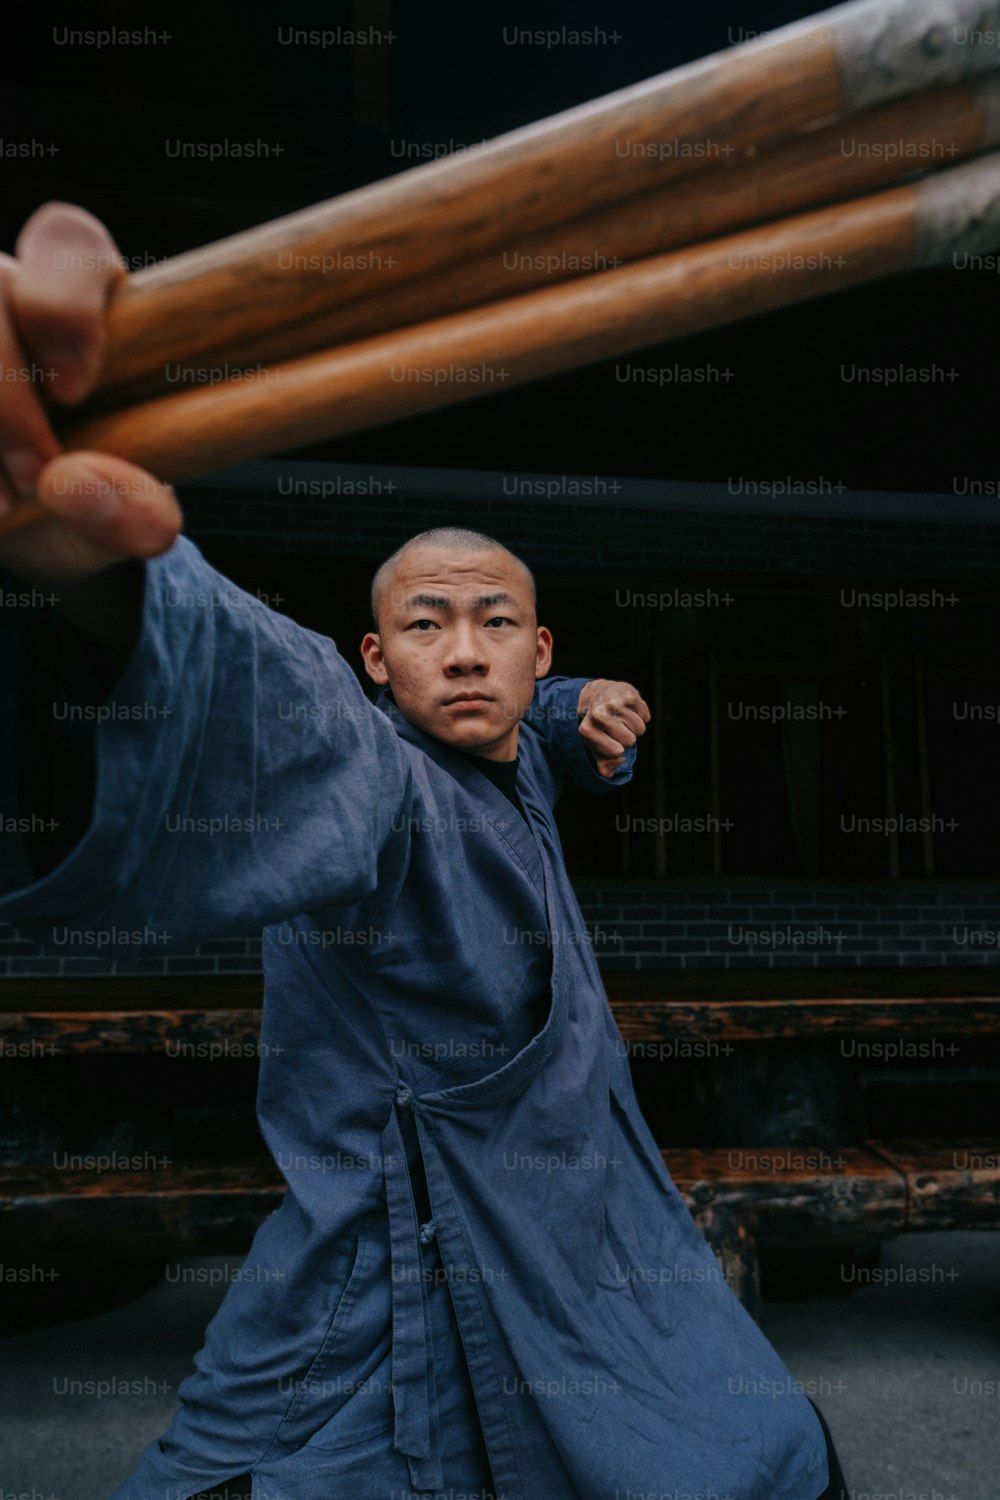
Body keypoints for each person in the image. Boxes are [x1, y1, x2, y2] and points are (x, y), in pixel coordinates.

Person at [0, 205, 838, 1499]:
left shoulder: (521, 745)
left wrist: (580, 714)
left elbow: (531, 735)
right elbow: (276, 714)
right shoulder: (380, 784)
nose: (463, 648)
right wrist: (112, 583)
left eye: (496, 623)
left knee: (769, 1447)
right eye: (425, 626)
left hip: (594, 1223)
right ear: (374, 663)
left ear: (537, 650)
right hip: (403, 1256)